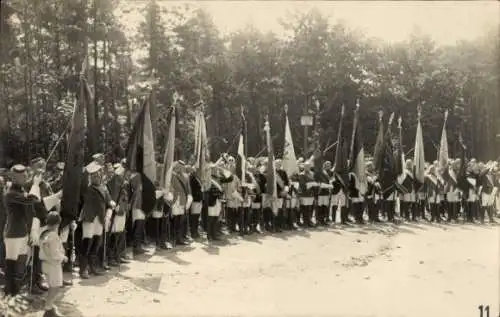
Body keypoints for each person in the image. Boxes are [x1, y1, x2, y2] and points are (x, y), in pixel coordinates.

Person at [3, 164, 42, 297]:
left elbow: (32, 199)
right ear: (14, 178)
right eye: (23, 176)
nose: (25, 177)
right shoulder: (11, 194)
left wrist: (35, 180)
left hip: (22, 233)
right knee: (11, 264)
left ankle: (15, 292)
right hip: (13, 234)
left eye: (26, 175)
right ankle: (9, 294)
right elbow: (31, 199)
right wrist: (36, 184)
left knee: (21, 264)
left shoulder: (20, 191)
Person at [79, 162, 115, 279]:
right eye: (94, 176)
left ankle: (92, 266)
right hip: (89, 218)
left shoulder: (104, 187)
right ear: (90, 177)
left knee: (96, 242)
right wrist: (87, 170)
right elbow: (83, 179)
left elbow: (109, 200)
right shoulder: (87, 188)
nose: (96, 177)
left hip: (100, 218)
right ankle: (83, 269)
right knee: (87, 243)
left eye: (98, 175)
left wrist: (111, 203)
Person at [39, 211, 66, 317]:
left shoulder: (43, 233)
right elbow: (55, 253)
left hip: (45, 263)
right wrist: (64, 257)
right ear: (57, 224)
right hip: (53, 265)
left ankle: (50, 307)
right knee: (55, 287)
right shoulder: (53, 235)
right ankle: (48, 308)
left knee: (52, 286)